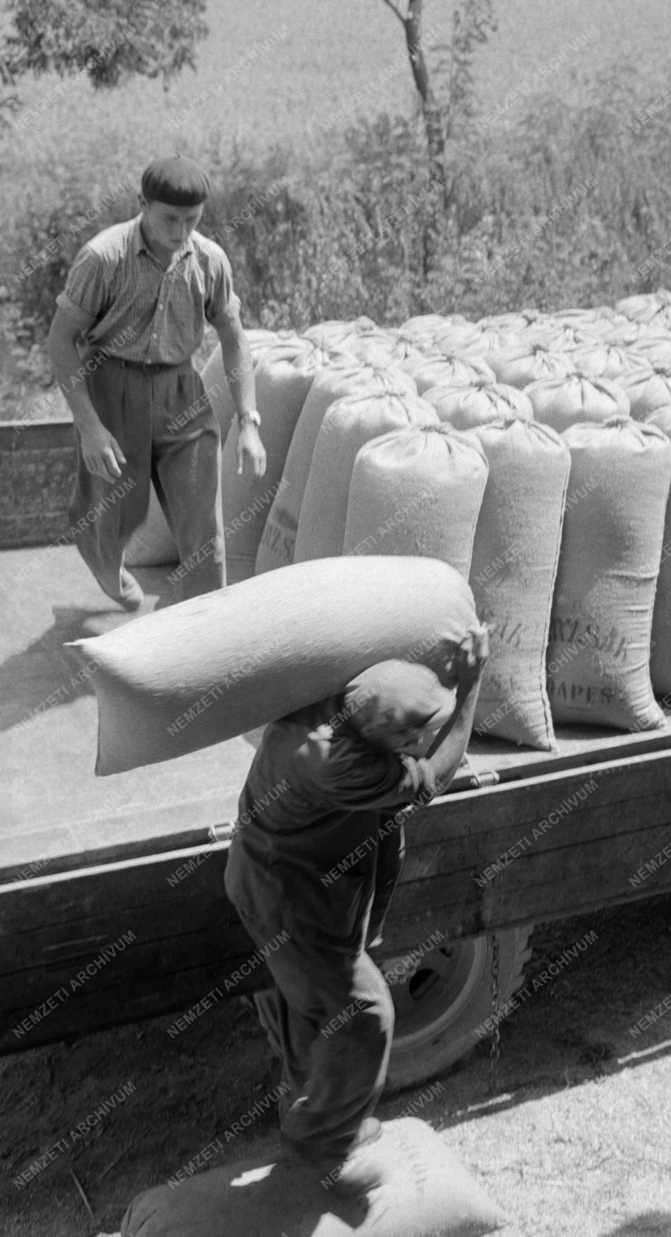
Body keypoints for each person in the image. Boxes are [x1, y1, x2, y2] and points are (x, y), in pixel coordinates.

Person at [223, 627, 489, 1194]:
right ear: (387, 735)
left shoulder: (336, 700)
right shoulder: (330, 763)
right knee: (364, 1016)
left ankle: (309, 1113)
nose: (424, 738)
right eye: (415, 733)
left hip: (314, 880)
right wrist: (470, 686)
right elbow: (437, 774)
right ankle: (323, 1153)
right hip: (289, 902)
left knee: (309, 1009)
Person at [47, 154, 267, 610]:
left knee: (204, 531)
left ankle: (202, 637)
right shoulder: (104, 258)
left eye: (192, 220)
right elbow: (61, 341)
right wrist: (90, 427)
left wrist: (248, 420)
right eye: (170, 218)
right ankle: (109, 571)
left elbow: (233, 336)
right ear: (142, 204)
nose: (181, 232)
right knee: (105, 523)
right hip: (111, 389)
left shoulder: (210, 261)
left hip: (181, 394)